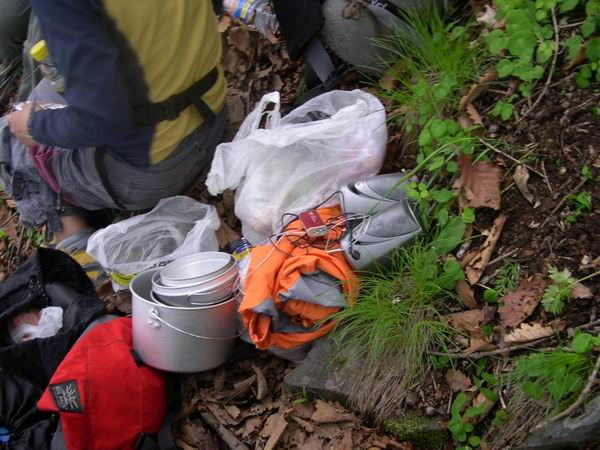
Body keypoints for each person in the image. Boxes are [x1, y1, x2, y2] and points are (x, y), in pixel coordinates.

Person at [0, 0, 228, 281]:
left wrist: (35, 126)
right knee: (46, 92)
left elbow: (102, 120)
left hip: (157, 169)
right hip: (213, 115)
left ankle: (74, 243)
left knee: (9, 137)